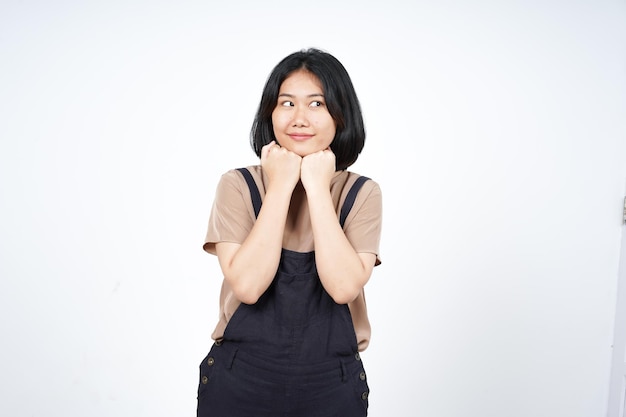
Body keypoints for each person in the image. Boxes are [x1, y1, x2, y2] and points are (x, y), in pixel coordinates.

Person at [197, 48, 382, 417]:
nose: (300, 118)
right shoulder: (238, 185)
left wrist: (316, 186)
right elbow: (248, 287)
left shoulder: (361, 193)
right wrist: (281, 186)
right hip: (240, 380)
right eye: (287, 103)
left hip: (331, 384)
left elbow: (344, 287)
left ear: (340, 115)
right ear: (270, 111)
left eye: (316, 104)